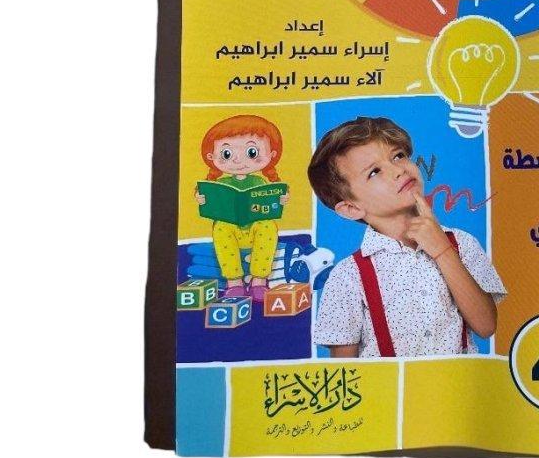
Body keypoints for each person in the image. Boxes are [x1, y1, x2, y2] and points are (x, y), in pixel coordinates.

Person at [308, 116, 505, 357]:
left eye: (398, 156)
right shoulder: (347, 275)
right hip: (388, 384)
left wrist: (443, 250)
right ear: (351, 208)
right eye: (374, 172)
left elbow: (486, 326)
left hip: (453, 381)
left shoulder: (461, 243)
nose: (398, 170)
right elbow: (345, 371)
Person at [196, 115, 289, 300]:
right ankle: (234, 282)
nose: (238, 161)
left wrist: (281, 200)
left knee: (268, 225)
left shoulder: (259, 181)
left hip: (255, 230)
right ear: (211, 157)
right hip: (231, 231)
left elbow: (269, 203)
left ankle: (259, 281)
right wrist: (201, 199)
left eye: (251, 152)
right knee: (221, 226)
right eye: (227, 154)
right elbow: (210, 204)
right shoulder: (220, 184)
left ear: (271, 155)